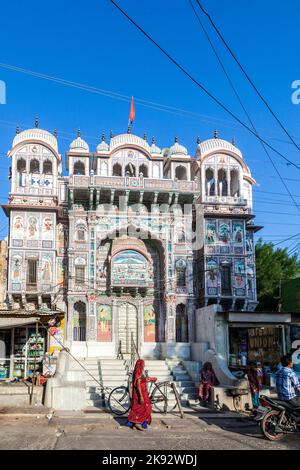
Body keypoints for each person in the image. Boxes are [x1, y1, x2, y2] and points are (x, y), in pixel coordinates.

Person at [126, 359, 157, 431]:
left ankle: (137, 422)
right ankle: (138, 423)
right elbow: (138, 384)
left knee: (139, 408)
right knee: (145, 407)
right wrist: (141, 396)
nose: (144, 365)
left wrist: (150, 379)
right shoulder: (139, 371)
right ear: (141, 364)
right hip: (140, 393)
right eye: (143, 364)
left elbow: (143, 380)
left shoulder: (138, 371)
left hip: (141, 392)